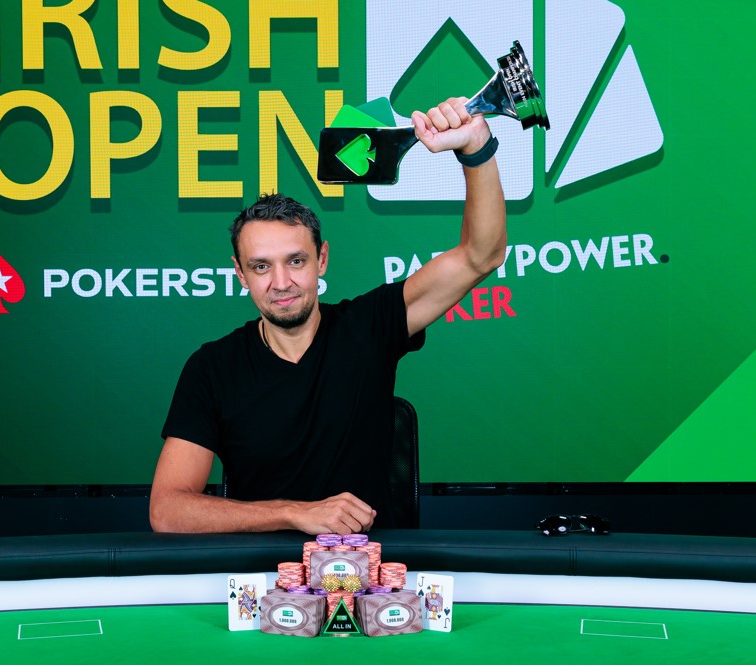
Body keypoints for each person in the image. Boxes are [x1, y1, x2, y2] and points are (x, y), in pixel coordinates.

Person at [150, 97, 508, 534]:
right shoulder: (212, 369)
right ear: (240, 273)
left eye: (295, 261)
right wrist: (294, 512)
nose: (280, 282)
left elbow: (480, 255)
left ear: (322, 260)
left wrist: (475, 147)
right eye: (261, 266)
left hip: (375, 580)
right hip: (265, 581)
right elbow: (168, 511)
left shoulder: (368, 326)